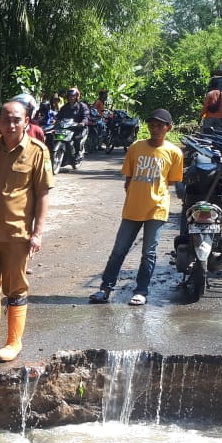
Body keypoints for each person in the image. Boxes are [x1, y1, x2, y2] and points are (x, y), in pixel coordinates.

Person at [0, 101, 52, 363]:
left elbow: (43, 194)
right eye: (6, 119)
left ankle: (14, 341)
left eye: (16, 119)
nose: (11, 125)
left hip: (17, 233)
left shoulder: (37, 151)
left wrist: (37, 232)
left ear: (26, 121)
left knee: (15, 287)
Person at [88, 109, 184, 306]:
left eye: (159, 126)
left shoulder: (174, 153)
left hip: (157, 209)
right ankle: (105, 289)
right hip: (132, 208)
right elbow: (128, 178)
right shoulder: (135, 147)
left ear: (168, 128)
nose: (155, 129)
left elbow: (171, 182)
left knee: (148, 253)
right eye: (152, 125)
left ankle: (141, 291)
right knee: (119, 250)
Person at [56, 87, 91, 158]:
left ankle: (78, 153)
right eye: (70, 96)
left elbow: (86, 116)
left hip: (78, 128)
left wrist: (82, 123)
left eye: (73, 96)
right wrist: (55, 120)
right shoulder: (65, 107)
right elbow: (59, 116)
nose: (71, 98)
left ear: (77, 96)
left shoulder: (82, 106)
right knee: (56, 135)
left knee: (76, 138)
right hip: (67, 128)